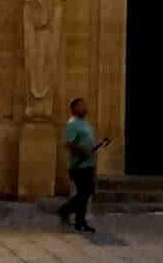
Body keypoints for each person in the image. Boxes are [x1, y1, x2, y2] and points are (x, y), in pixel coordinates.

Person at [57, 97, 100, 233]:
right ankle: (66, 210)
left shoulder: (85, 123)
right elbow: (69, 143)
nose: (85, 108)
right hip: (78, 165)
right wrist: (83, 151)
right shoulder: (72, 123)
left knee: (86, 193)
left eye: (84, 105)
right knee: (84, 193)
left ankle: (79, 221)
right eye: (81, 105)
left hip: (89, 164)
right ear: (74, 108)